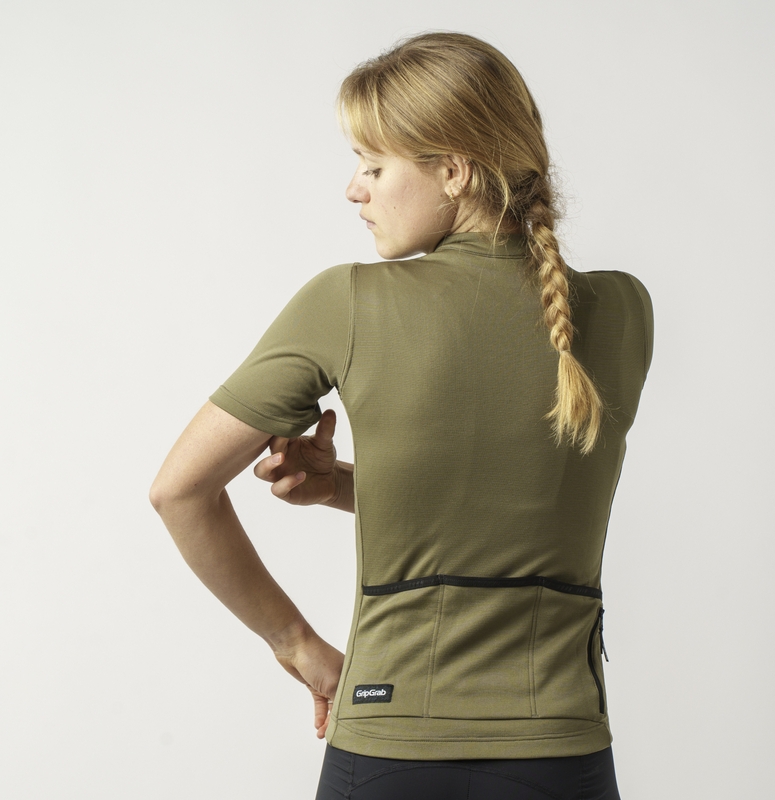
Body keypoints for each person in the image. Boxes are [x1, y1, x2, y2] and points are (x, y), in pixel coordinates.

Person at [150, 31, 653, 800]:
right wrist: (346, 485)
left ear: (453, 170)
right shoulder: (621, 310)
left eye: (374, 166)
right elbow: (517, 500)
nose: (355, 189)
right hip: (560, 744)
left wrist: (298, 646)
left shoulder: (348, 302)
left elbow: (178, 491)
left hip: (388, 739)